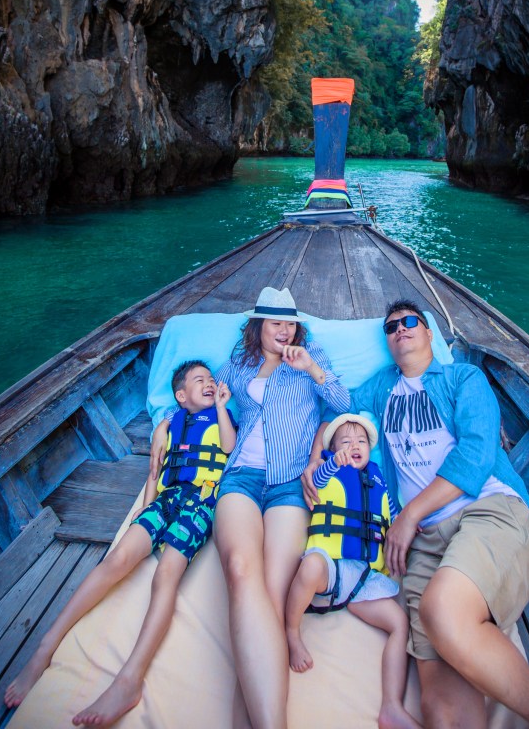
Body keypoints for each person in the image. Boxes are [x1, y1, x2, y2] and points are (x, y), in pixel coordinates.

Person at [304, 300, 529, 729]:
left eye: (409, 321)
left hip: (488, 510)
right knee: (442, 711)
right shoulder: (382, 389)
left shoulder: (462, 377)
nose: (400, 329)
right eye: (391, 327)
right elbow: (340, 408)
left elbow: (476, 455)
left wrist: (408, 515)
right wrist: (314, 455)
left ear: (429, 332)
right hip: (425, 543)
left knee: (444, 611)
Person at [149, 286, 350, 729]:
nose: (284, 330)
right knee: (242, 571)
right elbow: (198, 394)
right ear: (258, 326)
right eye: (275, 322)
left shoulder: (309, 355)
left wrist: (312, 368)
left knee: (273, 595)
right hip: (240, 474)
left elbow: (343, 406)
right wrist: (165, 422)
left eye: (290, 322)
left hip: (290, 482)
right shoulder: (237, 366)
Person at [5, 360, 237, 727]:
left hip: (202, 502)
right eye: (199, 381)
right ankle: (45, 648)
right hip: (166, 498)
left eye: (211, 379)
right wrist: (142, 514)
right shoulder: (168, 425)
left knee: (165, 577)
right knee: (116, 561)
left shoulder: (223, 418)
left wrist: (223, 406)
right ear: (181, 396)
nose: (209, 383)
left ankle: (129, 680)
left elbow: (228, 446)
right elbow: (155, 473)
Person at [286, 413, 422, 729]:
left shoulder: (379, 480)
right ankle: (292, 634)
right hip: (331, 569)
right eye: (345, 442)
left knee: (399, 623)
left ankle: (392, 706)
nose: (354, 446)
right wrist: (334, 462)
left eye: (361, 441)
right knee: (309, 567)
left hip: (366, 580)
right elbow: (317, 480)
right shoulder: (326, 471)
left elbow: (395, 514)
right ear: (333, 449)